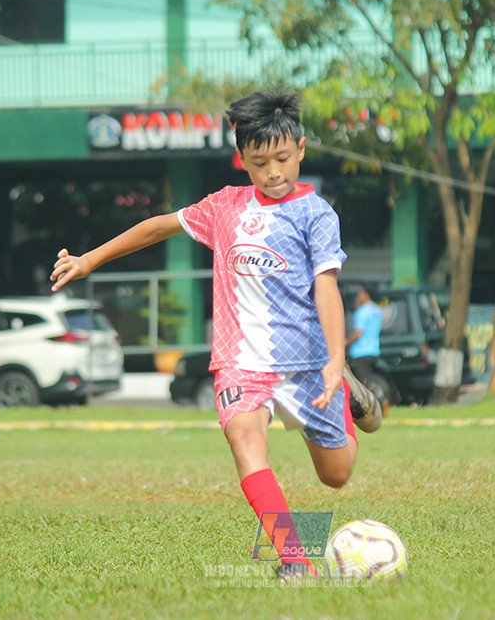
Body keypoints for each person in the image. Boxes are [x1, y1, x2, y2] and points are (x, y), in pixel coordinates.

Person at [50, 88, 381, 581]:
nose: (274, 172)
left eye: (284, 159)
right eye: (261, 161)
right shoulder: (224, 207)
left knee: (336, 476)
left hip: (311, 361)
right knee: (245, 438)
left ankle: (354, 393)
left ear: (302, 149)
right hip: (240, 362)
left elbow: (326, 290)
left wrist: (336, 359)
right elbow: (158, 227)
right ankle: (295, 561)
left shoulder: (316, 214)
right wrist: (88, 260)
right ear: (242, 159)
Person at [345, 284, 391, 417]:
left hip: (361, 351)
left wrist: (346, 342)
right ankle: (377, 404)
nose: (358, 296)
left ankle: (378, 404)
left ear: (366, 294)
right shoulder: (377, 310)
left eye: (360, 293)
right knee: (369, 379)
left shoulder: (362, 311)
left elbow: (359, 332)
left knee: (362, 384)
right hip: (374, 350)